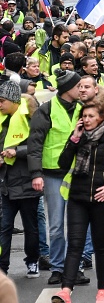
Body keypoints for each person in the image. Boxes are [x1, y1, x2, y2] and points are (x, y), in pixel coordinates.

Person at [51, 103, 104, 303]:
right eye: (84, 116)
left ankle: (102, 291)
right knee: (75, 245)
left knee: (100, 246)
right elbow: (62, 163)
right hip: (77, 198)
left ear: (101, 118)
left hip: (102, 200)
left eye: (91, 116)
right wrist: (74, 138)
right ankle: (65, 291)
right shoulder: (77, 138)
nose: (86, 119)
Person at [27, 70, 91, 285]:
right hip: (53, 173)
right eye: (77, 86)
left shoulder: (84, 109)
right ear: (67, 89)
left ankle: (77, 267)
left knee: (77, 224)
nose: (81, 89)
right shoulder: (46, 110)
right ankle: (57, 268)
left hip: (78, 173)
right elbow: (34, 145)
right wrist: (36, 173)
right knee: (56, 225)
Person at [0, 82, 41, 278]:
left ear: (14, 100)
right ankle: (3, 268)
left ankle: (32, 260)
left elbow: (37, 146)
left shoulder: (30, 117)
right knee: (4, 227)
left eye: (2, 101)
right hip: (6, 183)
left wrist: (15, 151)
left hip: (26, 181)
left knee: (30, 227)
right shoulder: (3, 120)